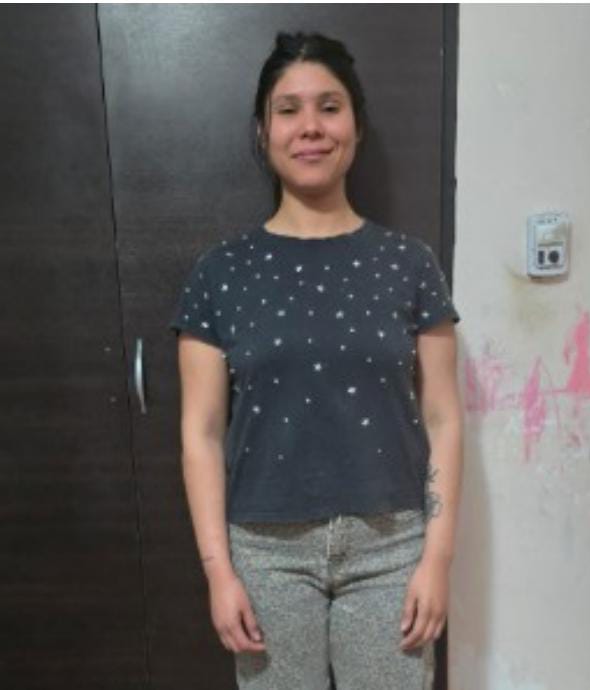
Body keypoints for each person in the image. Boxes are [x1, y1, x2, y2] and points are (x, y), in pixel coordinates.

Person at [169, 30, 463, 690]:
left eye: (330, 107)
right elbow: (201, 432)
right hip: (265, 551)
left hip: (392, 546)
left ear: (356, 126)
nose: (310, 127)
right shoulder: (220, 273)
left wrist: (438, 559)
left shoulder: (409, 264)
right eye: (288, 109)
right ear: (263, 131)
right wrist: (218, 572)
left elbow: (444, 417)